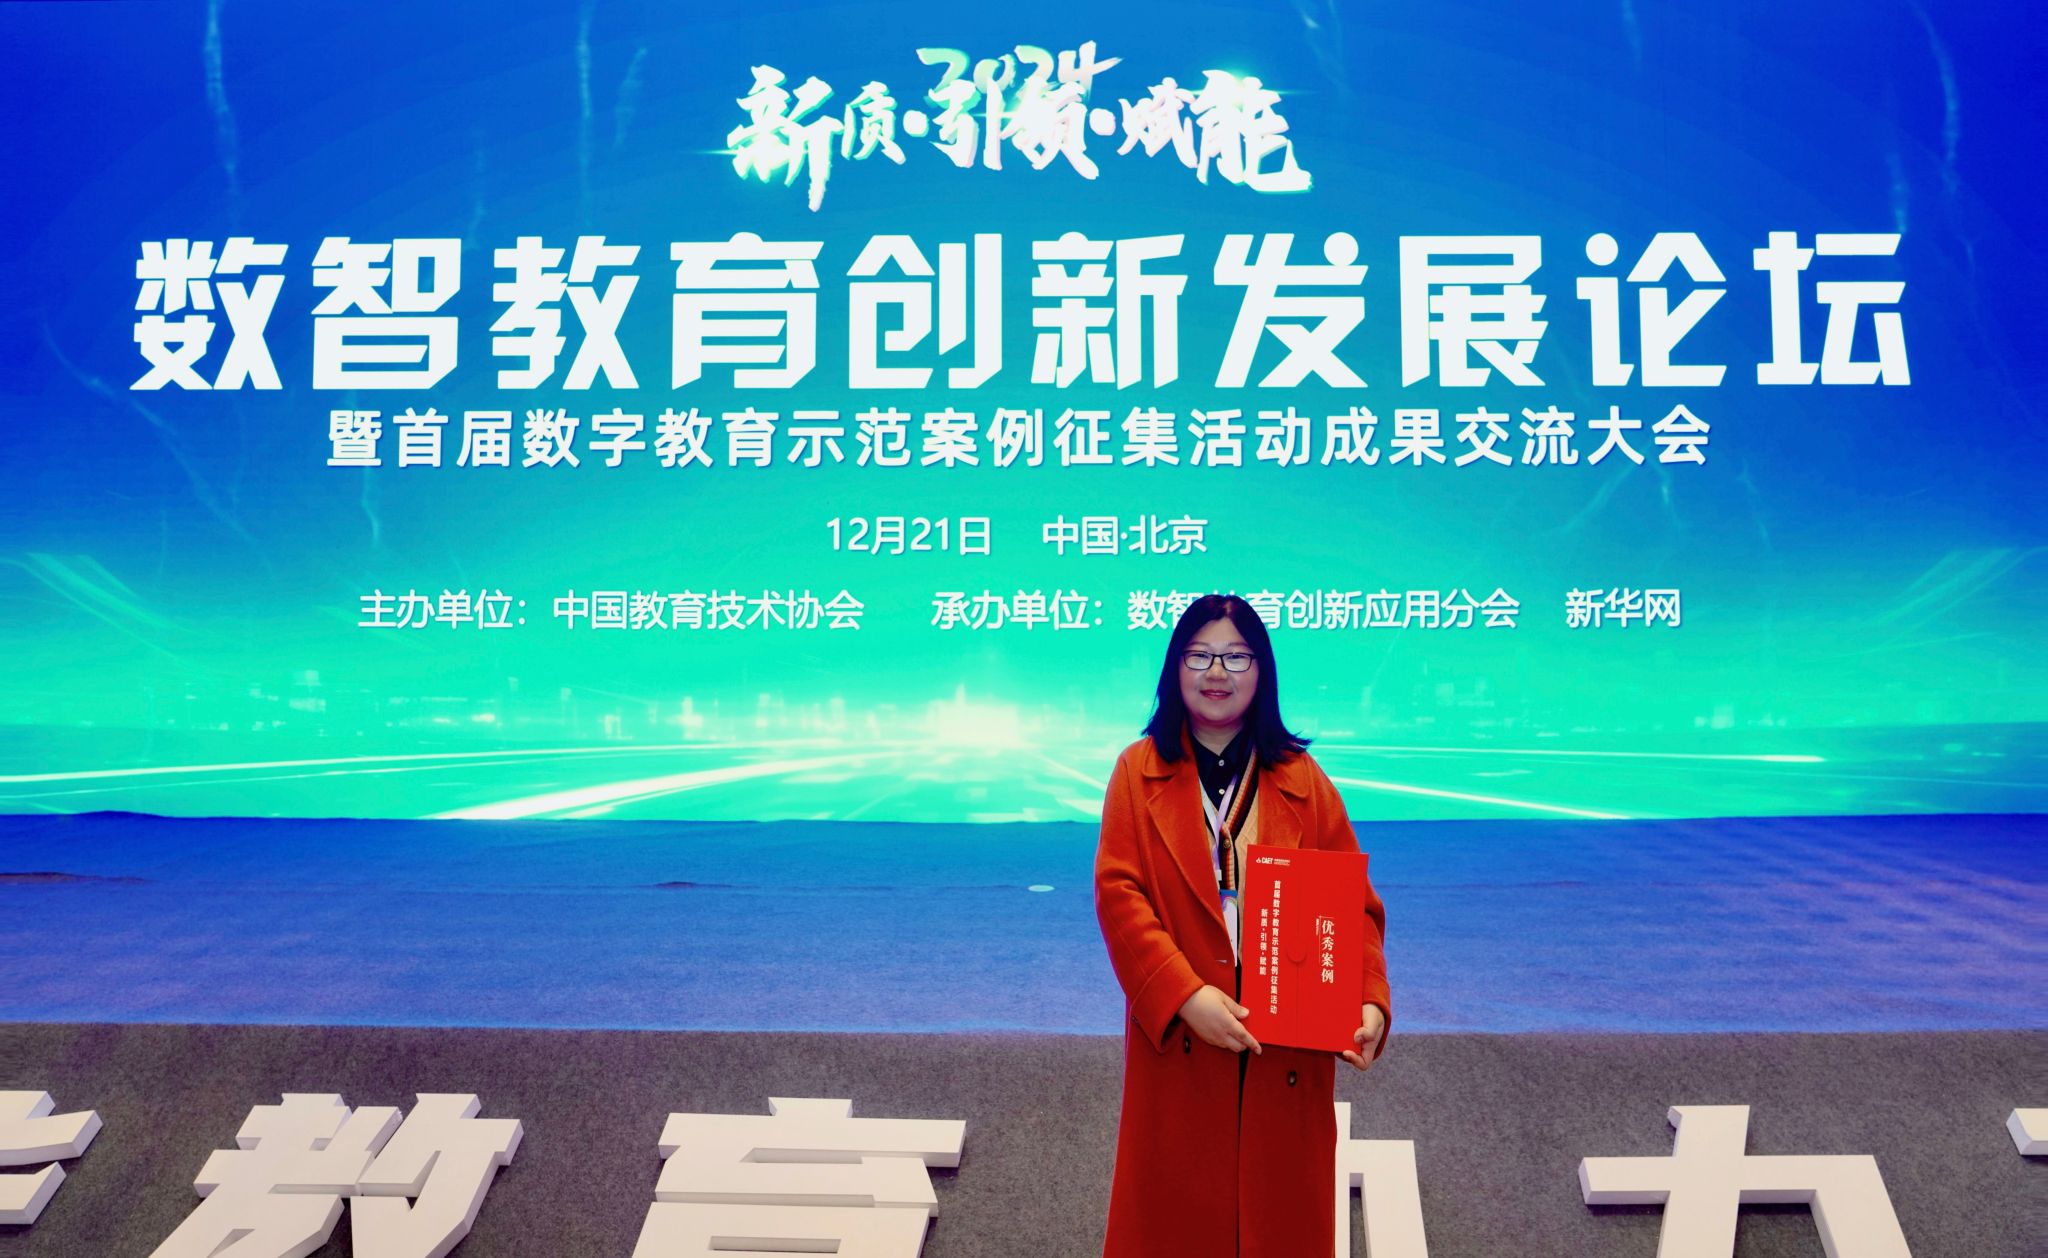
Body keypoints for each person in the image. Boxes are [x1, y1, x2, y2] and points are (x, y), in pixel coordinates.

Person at [1094, 594, 1390, 1258]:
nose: (1216, 672)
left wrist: (1367, 1000)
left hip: (1286, 1046)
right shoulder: (1136, 772)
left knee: (1277, 1222)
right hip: (1182, 1040)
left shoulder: (1303, 780)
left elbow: (1355, 909)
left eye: (1235, 657)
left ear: (1262, 671)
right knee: (1174, 1223)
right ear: (1175, 668)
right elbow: (1119, 895)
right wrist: (1183, 995)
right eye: (1199, 655)